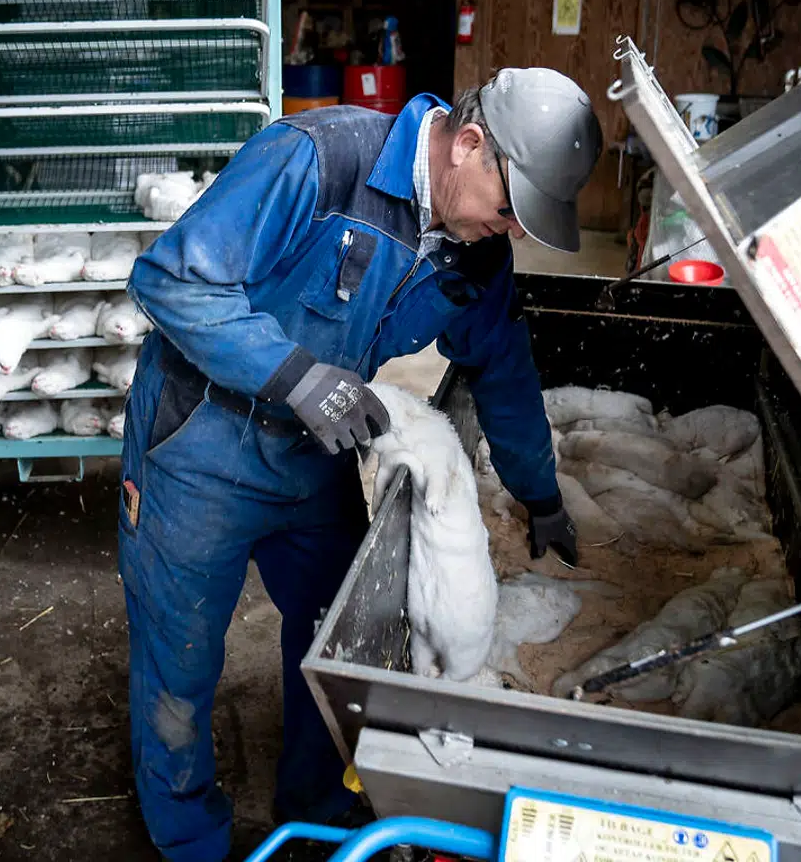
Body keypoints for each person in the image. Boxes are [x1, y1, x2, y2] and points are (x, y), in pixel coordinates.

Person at [118, 67, 603, 861]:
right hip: (199, 448)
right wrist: (297, 377)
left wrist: (539, 493)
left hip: (315, 454)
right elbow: (174, 280)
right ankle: (190, 841)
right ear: (470, 146)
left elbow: (502, 368)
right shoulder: (318, 158)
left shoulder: (474, 253)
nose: (513, 231)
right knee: (180, 665)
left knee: (341, 651)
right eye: (513, 209)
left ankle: (313, 815)